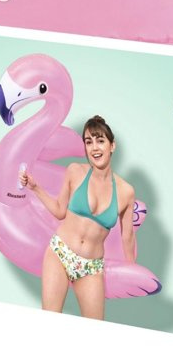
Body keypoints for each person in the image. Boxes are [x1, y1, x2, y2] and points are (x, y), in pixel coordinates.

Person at [20, 115, 136, 319]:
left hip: (91, 267)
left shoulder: (126, 191)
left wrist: (132, 272)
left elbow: (127, 237)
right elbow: (60, 211)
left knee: (94, 330)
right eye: (89, 142)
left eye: (100, 141)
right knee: (49, 321)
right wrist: (36, 188)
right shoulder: (75, 171)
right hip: (60, 253)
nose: (94, 148)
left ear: (112, 145)